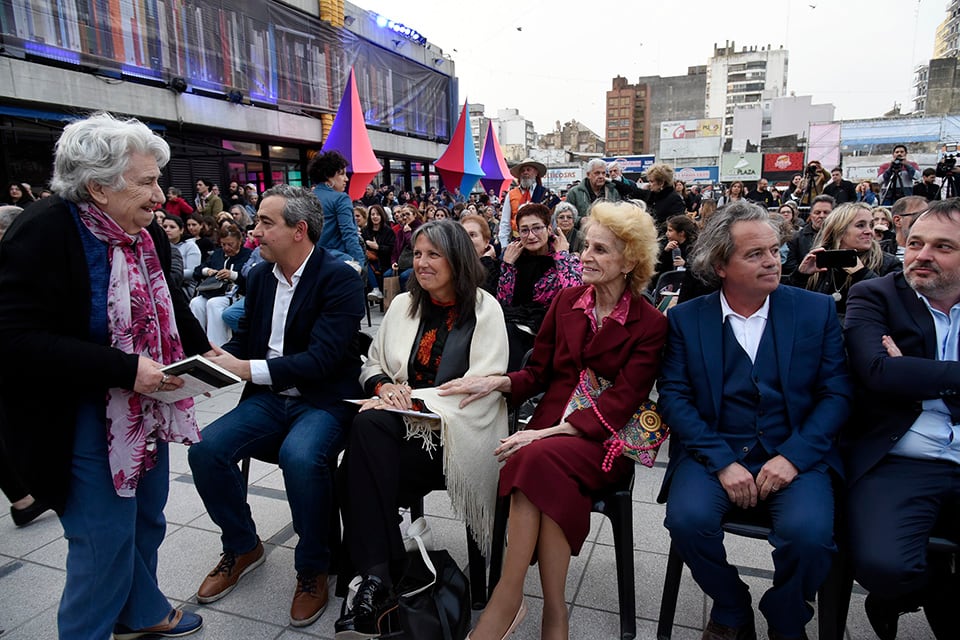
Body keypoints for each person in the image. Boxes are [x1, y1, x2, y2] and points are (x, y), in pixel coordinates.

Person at [0, 112, 209, 639]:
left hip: (145, 407)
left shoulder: (144, 230)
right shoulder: (44, 230)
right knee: (102, 542)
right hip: (77, 414)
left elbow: (170, 301)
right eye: (147, 182)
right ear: (98, 187)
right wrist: (124, 369)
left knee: (148, 519)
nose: (160, 197)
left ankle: (140, 615)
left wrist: (208, 353)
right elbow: (15, 339)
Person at [439, 200, 667, 640]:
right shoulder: (566, 301)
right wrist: (496, 382)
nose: (585, 256)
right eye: (586, 246)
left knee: (531, 458)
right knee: (539, 466)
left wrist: (543, 433)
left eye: (600, 249)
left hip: (603, 441)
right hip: (548, 437)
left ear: (629, 262)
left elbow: (622, 402)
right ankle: (553, 612)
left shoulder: (650, 323)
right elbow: (538, 373)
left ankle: (508, 599)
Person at [658, 200, 852, 640]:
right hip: (715, 450)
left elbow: (837, 394)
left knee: (810, 535)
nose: (772, 261)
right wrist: (722, 461)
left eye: (774, 250)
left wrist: (794, 457)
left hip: (794, 450)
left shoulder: (814, 310)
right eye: (755, 254)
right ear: (720, 265)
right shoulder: (687, 319)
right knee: (686, 520)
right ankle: (731, 605)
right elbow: (674, 397)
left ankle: (785, 617)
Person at [188, 185, 365, 628]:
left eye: (266, 223)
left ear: (299, 230)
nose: (255, 232)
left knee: (300, 456)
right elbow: (247, 341)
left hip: (324, 399)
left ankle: (314, 567)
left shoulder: (340, 278)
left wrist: (247, 368)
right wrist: (211, 367)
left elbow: (323, 360)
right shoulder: (261, 277)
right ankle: (242, 545)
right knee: (205, 449)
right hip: (270, 398)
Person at [334, 221, 509, 639]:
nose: (422, 263)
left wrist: (413, 400)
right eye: (417, 254)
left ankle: (375, 575)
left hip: (452, 440)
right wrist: (384, 388)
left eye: (434, 254)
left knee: (357, 454)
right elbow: (373, 363)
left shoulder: (484, 309)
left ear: (458, 260)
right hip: (394, 435)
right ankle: (381, 577)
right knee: (368, 433)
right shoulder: (403, 305)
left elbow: (481, 388)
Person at [843, 199, 960, 640]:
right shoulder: (876, 294)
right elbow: (877, 372)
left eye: (943, 246)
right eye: (915, 243)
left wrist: (913, 371)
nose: (922, 255)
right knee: (884, 566)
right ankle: (913, 592)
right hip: (901, 456)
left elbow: (896, 375)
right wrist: (897, 373)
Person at [498, 203, 581, 371]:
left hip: (549, 332)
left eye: (537, 228)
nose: (531, 236)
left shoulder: (563, 259)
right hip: (512, 328)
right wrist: (507, 265)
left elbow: (573, 294)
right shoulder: (514, 257)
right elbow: (503, 302)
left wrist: (562, 256)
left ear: (549, 229)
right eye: (524, 230)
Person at [790, 202, 901, 322]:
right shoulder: (820, 260)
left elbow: (896, 304)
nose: (869, 231)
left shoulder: (888, 263)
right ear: (840, 230)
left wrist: (862, 273)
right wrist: (801, 276)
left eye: (871, 225)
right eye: (860, 225)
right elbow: (793, 305)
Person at [190, 224, 252, 347]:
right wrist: (207, 271)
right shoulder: (217, 254)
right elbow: (197, 270)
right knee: (196, 303)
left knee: (214, 304)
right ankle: (197, 344)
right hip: (212, 291)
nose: (226, 248)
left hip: (235, 294)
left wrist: (232, 275)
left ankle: (217, 345)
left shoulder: (247, 255)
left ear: (239, 241)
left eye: (230, 244)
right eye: (223, 244)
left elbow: (250, 278)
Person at [308, 151, 366, 268]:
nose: (346, 179)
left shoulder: (307, 197)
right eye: (341, 174)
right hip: (337, 261)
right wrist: (360, 263)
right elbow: (349, 234)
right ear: (328, 176)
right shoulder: (340, 198)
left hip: (310, 260)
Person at [498, 158, 549, 248]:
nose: (525, 172)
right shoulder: (511, 194)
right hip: (517, 241)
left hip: (539, 240)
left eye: (528, 170)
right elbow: (505, 222)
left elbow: (551, 220)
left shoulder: (545, 194)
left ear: (536, 173)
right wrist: (504, 245)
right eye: (523, 171)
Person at [783, 194, 835, 275]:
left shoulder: (842, 236)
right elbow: (790, 267)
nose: (821, 216)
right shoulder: (795, 238)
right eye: (817, 213)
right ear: (810, 215)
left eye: (826, 212)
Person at [565, 158, 621, 222]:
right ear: (588, 175)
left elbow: (619, 214)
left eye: (603, 173)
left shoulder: (613, 192)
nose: (601, 176)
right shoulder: (574, 193)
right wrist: (580, 220)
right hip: (583, 228)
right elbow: (565, 215)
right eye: (597, 173)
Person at [362, 204, 396, 302]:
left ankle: (376, 289)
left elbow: (391, 249)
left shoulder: (388, 231)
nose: (375, 217)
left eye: (378, 214)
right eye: (373, 214)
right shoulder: (365, 230)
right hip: (369, 260)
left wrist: (378, 247)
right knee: (363, 263)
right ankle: (375, 289)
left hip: (384, 261)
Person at [461, 213, 500, 294]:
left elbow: (486, 294)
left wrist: (485, 260)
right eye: (463, 235)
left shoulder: (498, 269)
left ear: (486, 242)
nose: (467, 239)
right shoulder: (454, 268)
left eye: (472, 235)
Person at [163, 215, 202, 295]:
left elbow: (192, 272)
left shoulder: (190, 246)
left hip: (184, 287)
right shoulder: (159, 245)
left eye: (172, 227)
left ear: (181, 230)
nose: (167, 230)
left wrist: (168, 275)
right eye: (165, 227)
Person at [640, 163, 686, 230]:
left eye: (651, 181)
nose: (649, 184)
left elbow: (677, 223)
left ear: (661, 183)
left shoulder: (674, 198)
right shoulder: (652, 195)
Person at [890, 195, 930, 262]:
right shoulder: (879, 254)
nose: (926, 221)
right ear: (897, 221)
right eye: (918, 215)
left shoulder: (934, 252)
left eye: (927, 216)